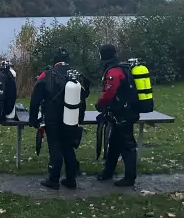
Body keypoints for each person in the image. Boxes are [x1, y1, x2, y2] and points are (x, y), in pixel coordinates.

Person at [29, 48, 85, 189]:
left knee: (55, 147)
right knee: (68, 148)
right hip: (71, 118)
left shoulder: (46, 75)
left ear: (55, 61)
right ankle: (71, 180)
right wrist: (80, 118)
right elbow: (84, 97)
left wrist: (32, 119)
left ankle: (53, 180)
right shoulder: (76, 76)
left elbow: (35, 99)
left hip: (53, 118)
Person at [94, 44, 138, 186]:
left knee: (127, 146)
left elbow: (109, 93)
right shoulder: (122, 67)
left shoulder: (113, 71)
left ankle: (130, 178)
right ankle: (108, 172)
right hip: (124, 112)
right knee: (114, 144)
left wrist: (100, 104)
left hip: (123, 114)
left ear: (103, 55)